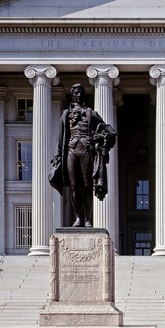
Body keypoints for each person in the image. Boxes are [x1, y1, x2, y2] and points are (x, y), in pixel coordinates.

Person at [49, 84, 116, 227]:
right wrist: (56, 155)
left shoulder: (91, 113)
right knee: (74, 186)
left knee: (87, 185)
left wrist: (101, 138)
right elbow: (60, 138)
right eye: (76, 93)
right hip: (71, 151)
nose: (78, 95)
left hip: (86, 150)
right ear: (72, 95)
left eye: (81, 93)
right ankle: (78, 217)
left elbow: (110, 131)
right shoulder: (66, 114)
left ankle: (87, 219)